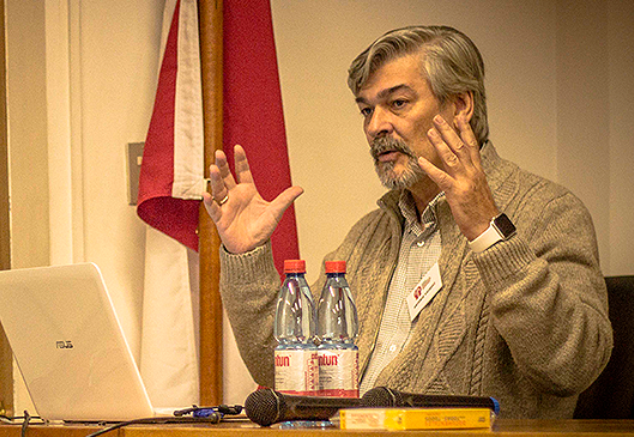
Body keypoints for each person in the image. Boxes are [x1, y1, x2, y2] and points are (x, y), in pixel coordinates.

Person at [201, 25, 612, 419]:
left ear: (460, 106)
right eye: (366, 110)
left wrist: (490, 233)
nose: (375, 125)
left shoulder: (548, 211)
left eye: (397, 103)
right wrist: (247, 255)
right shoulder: (367, 236)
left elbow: (572, 367)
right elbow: (288, 380)